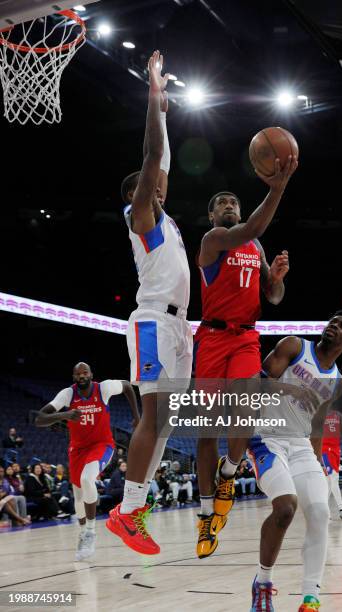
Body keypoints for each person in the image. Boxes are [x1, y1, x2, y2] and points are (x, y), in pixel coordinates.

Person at [106, 50, 192, 556]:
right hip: (153, 321)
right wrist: (153, 94)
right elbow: (153, 155)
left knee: (166, 420)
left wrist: (164, 114)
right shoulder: (140, 215)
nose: (162, 183)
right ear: (140, 190)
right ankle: (128, 507)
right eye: (154, 182)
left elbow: (163, 156)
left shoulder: (168, 220)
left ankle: (134, 509)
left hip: (181, 329)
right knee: (154, 416)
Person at [195, 155, 297, 558]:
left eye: (233, 201)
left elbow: (272, 297)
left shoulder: (254, 245)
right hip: (211, 337)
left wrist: (276, 280)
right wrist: (277, 187)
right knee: (206, 433)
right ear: (211, 216)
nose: (229, 205)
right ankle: (207, 516)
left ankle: (229, 471)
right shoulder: (212, 243)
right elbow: (252, 226)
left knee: (247, 404)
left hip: (244, 339)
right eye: (221, 203)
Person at [247, 310, 342, 612]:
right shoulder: (294, 346)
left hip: (301, 446)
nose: (333, 326)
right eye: (333, 321)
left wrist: (316, 460)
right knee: (285, 508)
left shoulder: (337, 381)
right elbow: (254, 384)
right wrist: (288, 387)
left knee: (321, 511)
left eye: (341, 327)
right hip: (267, 438)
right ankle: (263, 584)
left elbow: (317, 423)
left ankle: (311, 597)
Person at [35, 362, 139, 560]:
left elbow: (126, 385)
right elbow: (39, 418)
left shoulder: (104, 388)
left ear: (91, 374)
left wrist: (136, 416)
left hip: (102, 445)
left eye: (85, 373)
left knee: (87, 479)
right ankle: (83, 533)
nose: (81, 376)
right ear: (74, 377)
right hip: (77, 449)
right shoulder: (68, 394)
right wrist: (64, 415)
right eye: (77, 374)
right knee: (79, 497)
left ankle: (91, 531)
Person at [322, 410, 342, 520]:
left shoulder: (338, 414)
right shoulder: (318, 413)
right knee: (334, 479)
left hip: (336, 449)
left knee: (329, 482)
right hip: (325, 450)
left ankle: (324, 511)